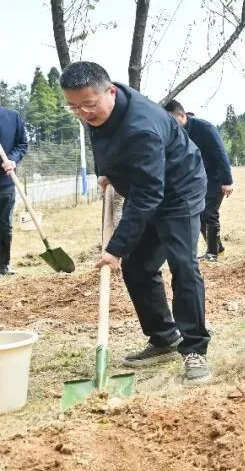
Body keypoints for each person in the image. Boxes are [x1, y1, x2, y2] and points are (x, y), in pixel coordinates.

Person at [59, 61, 211, 386]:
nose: (83, 113)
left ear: (110, 91)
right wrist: (108, 171)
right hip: (149, 187)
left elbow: (147, 196)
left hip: (179, 191)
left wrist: (115, 249)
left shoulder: (140, 127)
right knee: (138, 268)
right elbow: (103, 140)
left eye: (89, 104)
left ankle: (194, 348)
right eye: (74, 107)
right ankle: (164, 337)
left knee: (183, 266)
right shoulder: (100, 110)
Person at [164, 100, 234, 261]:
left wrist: (227, 181)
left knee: (208, 213)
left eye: (171, 120)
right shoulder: (174, 133)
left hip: (214, 177)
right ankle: (217, 248)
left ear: (182, 115)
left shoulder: (204, 128)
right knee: (198, 212)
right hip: (194, 178)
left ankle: (213, 253)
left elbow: (220, 154)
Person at [0, 102, 28, 276]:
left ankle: (3, 265)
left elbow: (21, 144)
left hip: (5, 182)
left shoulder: (12, 116)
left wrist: (12, 159)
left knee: (4, 226)